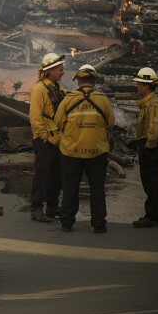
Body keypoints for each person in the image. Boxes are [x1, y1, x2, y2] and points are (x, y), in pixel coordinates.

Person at [54, 64, 115, 233]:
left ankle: (67, 223)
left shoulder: (68, 99)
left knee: (70, 188)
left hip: (71, 153)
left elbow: (58, 122)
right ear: (94, 81)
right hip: (97, 152)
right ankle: (99, 224)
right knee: (97, 188)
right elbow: (110, 123)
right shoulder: (102, 99)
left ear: (78, 80)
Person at [28, 52, 67, 222]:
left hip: (57, 138)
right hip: (45, 140)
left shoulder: (57, 88)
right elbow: (35, 117)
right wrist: (43, 137)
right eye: (60, 69)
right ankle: (37, 208)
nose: (63, 72)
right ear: (50, 71)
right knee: (42, 174)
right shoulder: (39, 89)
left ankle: (52, 205)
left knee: (56, 174)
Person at [132, 67, 158, 228]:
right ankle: (156, 215)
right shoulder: (148, 103)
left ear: (146, 86)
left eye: (139, 83)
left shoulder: (153, 104)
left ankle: (153, 217)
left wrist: (148, 147)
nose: (137, 86)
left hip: (151, 148)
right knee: (152, 181)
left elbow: (155, 128)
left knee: (152, 182)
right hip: (148, 145)